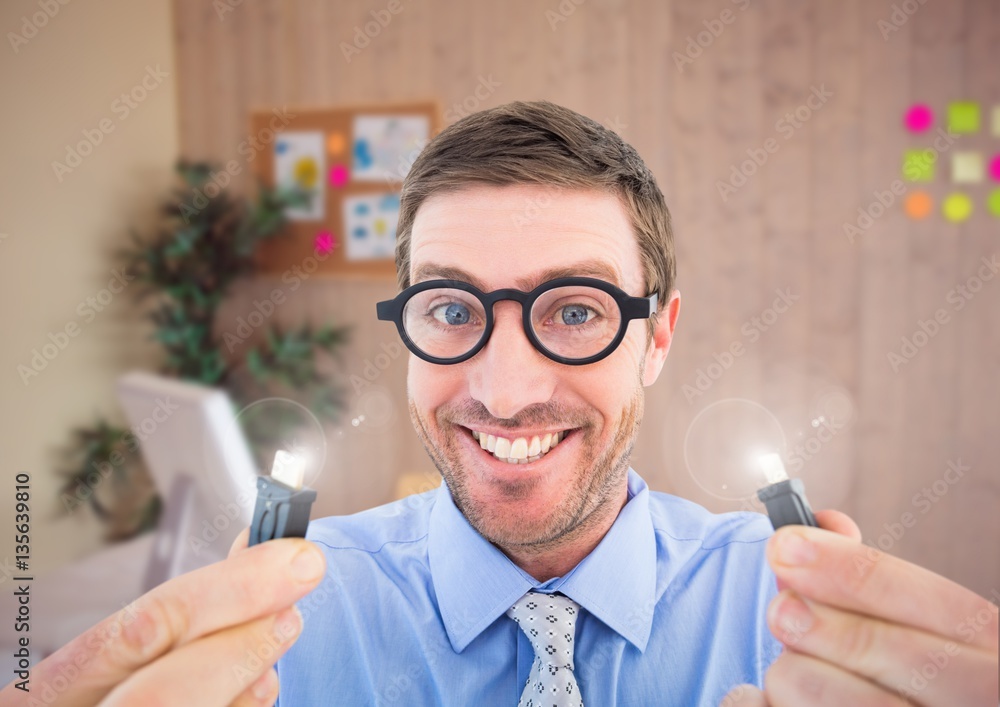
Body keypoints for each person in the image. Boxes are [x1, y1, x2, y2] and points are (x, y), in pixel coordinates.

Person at [3, 101, 995, 706]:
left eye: (574, 309)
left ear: (657, 334)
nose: (506, 389)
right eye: (448, 306)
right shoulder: (282, 626)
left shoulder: (796, 625)